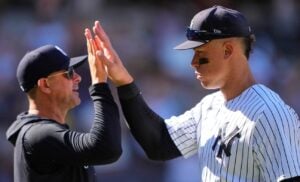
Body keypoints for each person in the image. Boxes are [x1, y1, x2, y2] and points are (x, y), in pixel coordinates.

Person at [86, 5, 300, 182]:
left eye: (201, 53)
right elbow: (158, 143)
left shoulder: (271, 113)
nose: (193, 63)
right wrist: (124, 82)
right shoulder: (209, 106)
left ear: (228, 50)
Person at [6, 35, 122, 181]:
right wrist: (100, 85)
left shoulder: (44, 133)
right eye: (69, 73)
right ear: (45, 85)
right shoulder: (39, 135)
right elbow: (107, 149)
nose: (78, 78)